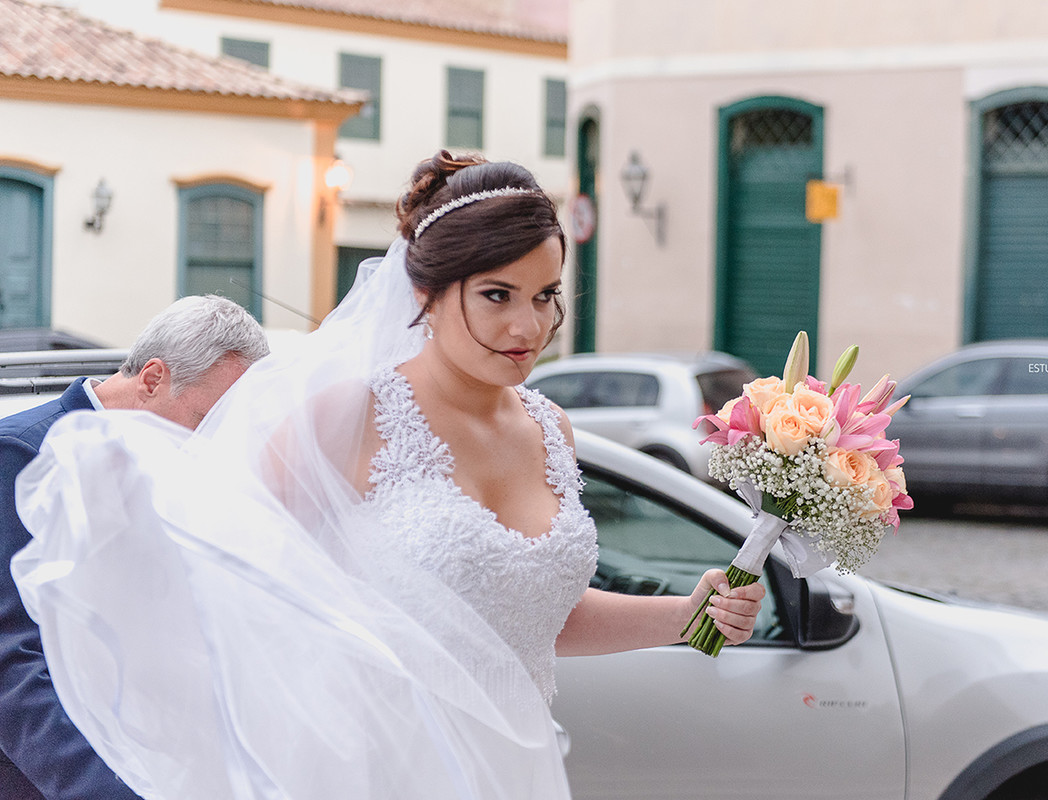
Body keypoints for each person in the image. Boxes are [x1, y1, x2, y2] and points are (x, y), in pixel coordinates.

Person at [10, 153, 764, 799]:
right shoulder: (347, 416)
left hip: (512, 763)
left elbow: (534, 616)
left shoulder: (550, 429)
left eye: (545, 297)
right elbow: (203, 594)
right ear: (427, 293)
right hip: (367, 769)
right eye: (497, 296)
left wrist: (683, 615)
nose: (528, 328)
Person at [0, 295, 269, 800]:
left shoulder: (181, 469)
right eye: (205, 419)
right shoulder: (19, 453)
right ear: (152, 379)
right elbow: (12, 660)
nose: (212, 444)